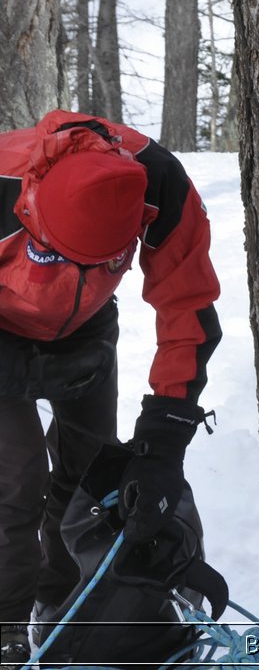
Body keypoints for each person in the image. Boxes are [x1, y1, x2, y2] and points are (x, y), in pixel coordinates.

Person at [0, 111, 222, 667]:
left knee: (89, 476)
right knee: (16, 479)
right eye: (61, 256)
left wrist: (164, 439)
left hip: (85, 327)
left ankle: (61, 606)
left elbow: (187, 307)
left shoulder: (161, 185)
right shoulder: (4, 177)